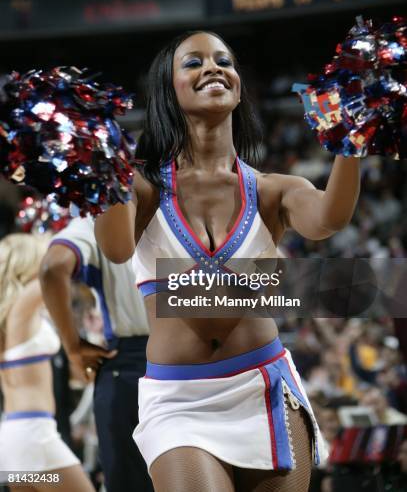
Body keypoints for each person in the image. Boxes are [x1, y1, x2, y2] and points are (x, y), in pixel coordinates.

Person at [94, 30, 362, 492]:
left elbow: (328, 219)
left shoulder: (275, 189)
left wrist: (351, 139)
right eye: (193, 63)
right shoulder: (140, 187)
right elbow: (116, 249)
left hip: (264, 388)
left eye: (224, 60)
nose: (213, 68)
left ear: (239, 85)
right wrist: (101, 169)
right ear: (168, 90)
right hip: (179, 402)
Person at [40, 215, 153, 492]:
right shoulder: (185, 210)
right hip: (191, 366)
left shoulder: (18, 311)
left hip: (26, 439)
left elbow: (51, 268)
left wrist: (73, 348)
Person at [0, 233, 94, 492]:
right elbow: (52, 271)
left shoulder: (11, 315)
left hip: (15, 441)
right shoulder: (20, 308)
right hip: (35, 437)